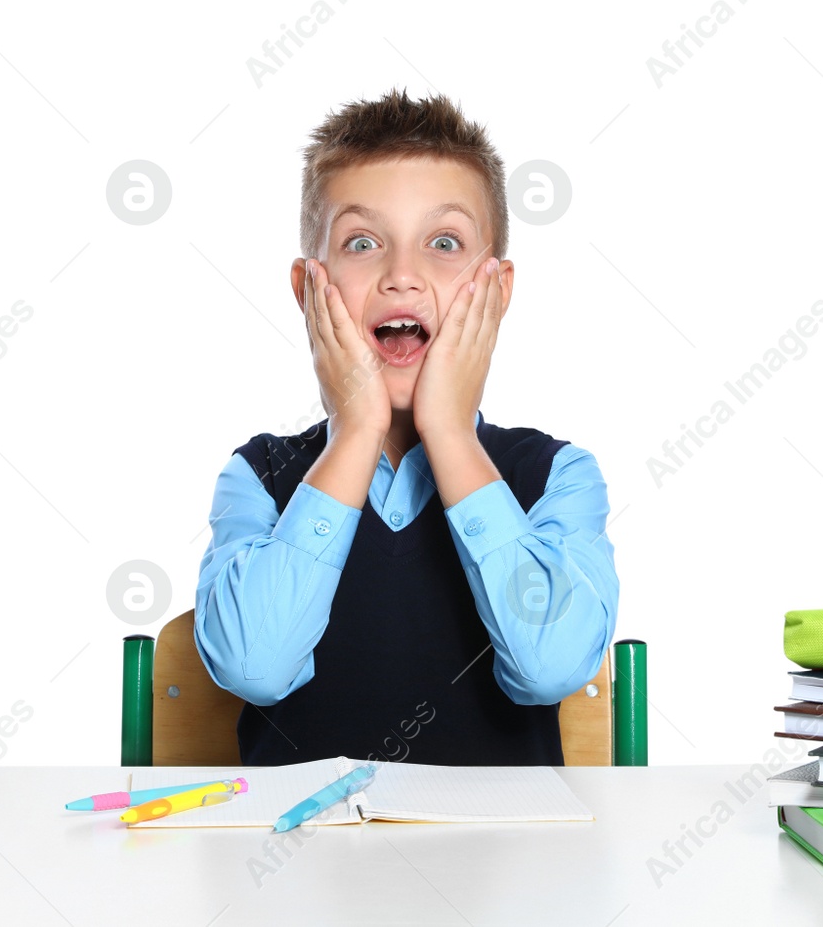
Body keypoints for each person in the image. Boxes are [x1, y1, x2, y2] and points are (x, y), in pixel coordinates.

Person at [194, 89, 618, 765]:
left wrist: (449, 432)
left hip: (507, 868)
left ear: (497, 291)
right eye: (362, 243)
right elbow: (255, 665)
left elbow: (550, 666)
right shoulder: (258, 477)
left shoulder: (556, 476)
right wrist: (354, 428)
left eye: (443, 243)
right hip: (298, 863)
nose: (402, 277)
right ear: (309, 291)